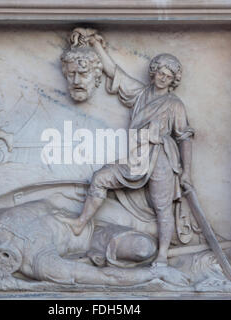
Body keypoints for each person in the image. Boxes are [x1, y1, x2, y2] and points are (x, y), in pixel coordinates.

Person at [59, 34, 195, 267]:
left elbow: (185, 138)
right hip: (138, 156)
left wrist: (187, 173)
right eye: (160, 72)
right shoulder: (141, 94)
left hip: (162, 157)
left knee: (163, 207)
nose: (162, 78)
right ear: (153, 73)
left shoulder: (174, 104)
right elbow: (114, 72)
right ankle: (81, 222)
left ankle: (162, 254)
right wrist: (96, 46)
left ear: (173, 80)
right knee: (100, 178)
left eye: (168, 75)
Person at [0, 199, 190, 287]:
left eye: (108, 239)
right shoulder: (55, 207)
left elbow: (108, 277)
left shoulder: (45, 260)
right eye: (117, 230)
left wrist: (156, 273)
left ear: (97, 257)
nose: (107, 229)